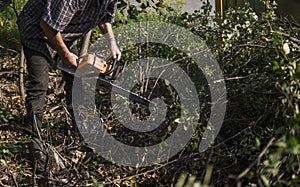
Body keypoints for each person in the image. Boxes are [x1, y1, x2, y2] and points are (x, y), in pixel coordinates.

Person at [17, 0, 121, 173]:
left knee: (76, 83)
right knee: (39, 85)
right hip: (37, 31)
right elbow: (46, 25)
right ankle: (35, 146)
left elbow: (104, 16)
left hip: (63, 33)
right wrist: (65, 55)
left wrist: (111, 42)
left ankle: (81, 137)